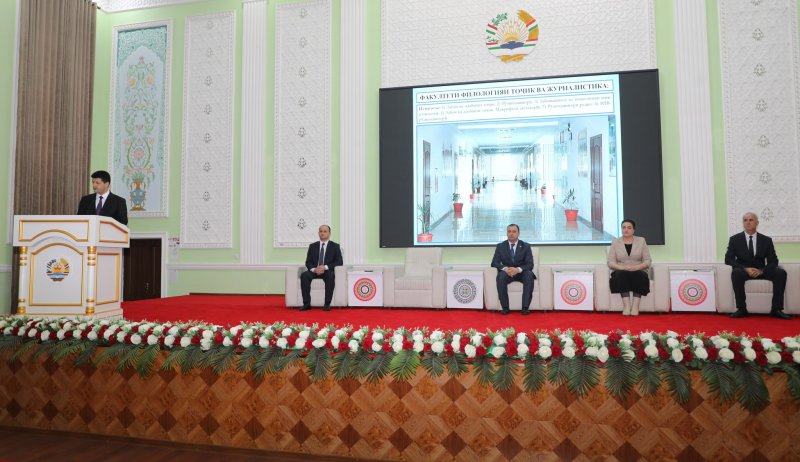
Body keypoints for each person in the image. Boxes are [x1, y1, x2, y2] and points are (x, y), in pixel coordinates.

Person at [725, 212, 789, 319]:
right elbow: (728, 259)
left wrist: (761, 271)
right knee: (736, 273)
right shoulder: (734, 239)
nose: (748, 222)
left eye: (751, 220)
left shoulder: (766, 240)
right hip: (744, 271)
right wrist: (745, 269)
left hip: (761, 270)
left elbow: (773, 261)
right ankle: (741, 309)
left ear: (757, 223)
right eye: (745, 220)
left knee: (780, 273)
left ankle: (776, 309)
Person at [607, 219, 651, 316]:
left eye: (629, 228)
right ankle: (626, 306)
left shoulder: (641, 241)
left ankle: (635, 306)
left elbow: (647, 261)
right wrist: (622, 267)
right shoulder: (615, 242)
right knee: (622, 274)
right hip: (621, 269)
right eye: (624, 227)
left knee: (639, 275)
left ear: (633, 230)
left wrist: (636, 267)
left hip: (638, 269)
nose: (626, 230)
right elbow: (610, 262)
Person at [491, 224, 535, 315]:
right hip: (507, 273)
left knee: (529, 275)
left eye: (514, 231)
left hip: (521, 273)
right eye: (509, 231)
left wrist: (517, 269)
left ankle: (525, 307)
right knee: (500, 276)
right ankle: (505, 308)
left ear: (518, 233)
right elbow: (494, 263)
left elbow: (530, 264)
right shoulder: (500, 246)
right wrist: (505, 269)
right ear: (507, 233)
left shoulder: (526, 246)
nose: (511, 233)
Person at [300, 224, 343, 311]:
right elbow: (308, 262)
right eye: (321, 231)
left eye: (325, 231)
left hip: (327, 271)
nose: (322, 233)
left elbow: (339, 262)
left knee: (331, 276)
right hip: (314, 271)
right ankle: (306, 304)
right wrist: (314, 269)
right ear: (318, 233)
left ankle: (327, 304)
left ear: (329, 233)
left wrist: (325, 267)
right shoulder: (313, 246)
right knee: (304, 275)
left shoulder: (335, 246)